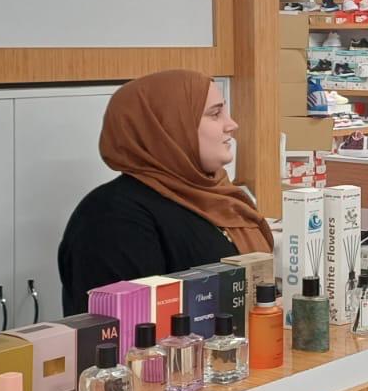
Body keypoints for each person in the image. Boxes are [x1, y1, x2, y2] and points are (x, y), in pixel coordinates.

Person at [59, 70, 273, 314]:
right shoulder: (111, 216)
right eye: (215, 114)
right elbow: (125, 324)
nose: (232, 125)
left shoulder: (219, 198)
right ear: (167, 128)